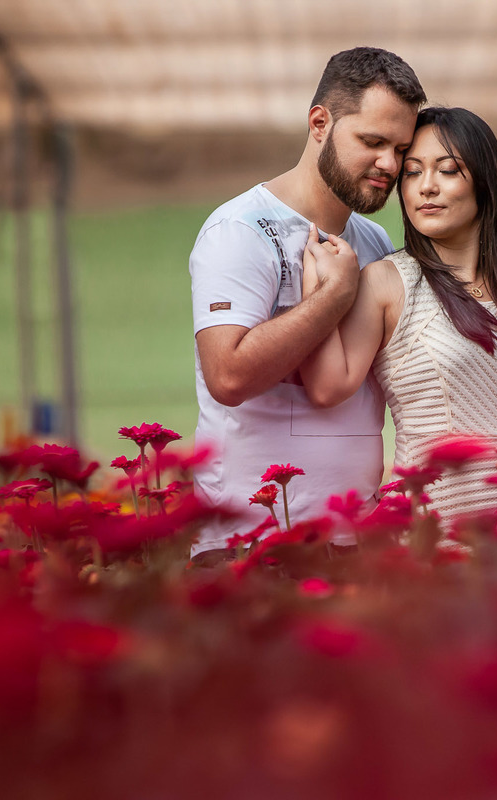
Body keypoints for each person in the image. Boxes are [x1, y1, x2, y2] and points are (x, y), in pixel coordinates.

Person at [187, 47, 425, 558]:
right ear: (320, 122)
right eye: (372, 141)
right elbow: (227, 377)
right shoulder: (241, 229)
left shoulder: (377, 243)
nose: (390, 163)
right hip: (251, 545)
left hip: (356, 541)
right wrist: (334, 296)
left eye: (401, 148)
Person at [299, 106, 497, 530]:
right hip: (432, 537)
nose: (426, 187)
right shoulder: (386, 283)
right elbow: (327, 387)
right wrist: (321, 292)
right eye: (412, 173)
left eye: (447, 170)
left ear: (485, 183)